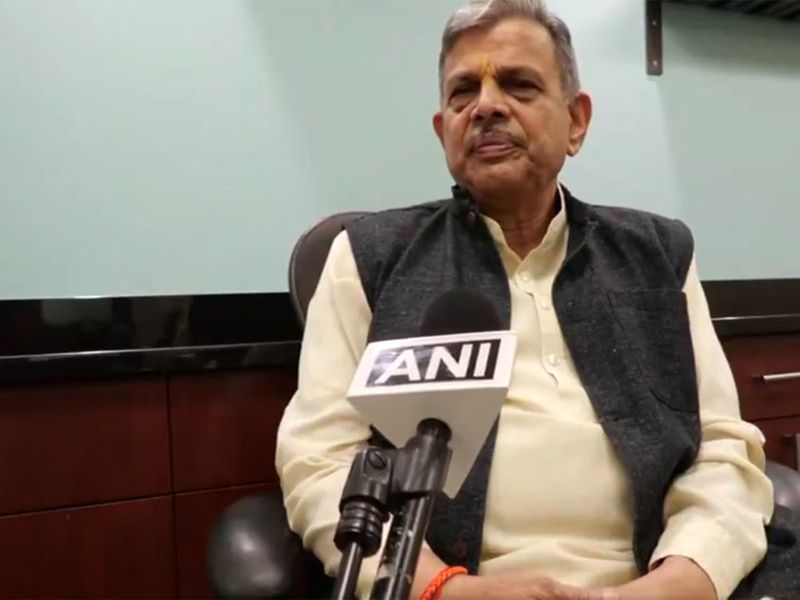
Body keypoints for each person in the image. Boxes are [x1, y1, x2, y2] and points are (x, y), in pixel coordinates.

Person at [276, 1, 797, 598]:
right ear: (444, 131)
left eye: (519, 85)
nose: (487, 106)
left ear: (576, 121)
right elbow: (320, 461)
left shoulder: (658, 254)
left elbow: (721, 451)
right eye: (463, 92)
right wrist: (445, 588)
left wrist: (681, 581)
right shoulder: (371, 258)